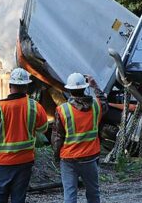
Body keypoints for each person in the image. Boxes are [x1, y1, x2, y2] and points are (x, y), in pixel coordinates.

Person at [0, 68, 48, 203]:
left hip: (1, 162)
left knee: (0, 198)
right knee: (19, 198)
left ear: (10, 86)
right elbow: (43, 128)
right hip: (24, 161)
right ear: (26, 87)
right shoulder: (34, 106)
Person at [52, 73, 109, 203]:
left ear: (69, 89)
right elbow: (105, 103)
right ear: (85, 88)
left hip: (68, 159)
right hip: (90, 158)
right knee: (93, 193)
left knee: (70, 195)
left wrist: (56, 157)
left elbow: (57, 137)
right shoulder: (96, 106)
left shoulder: (62, 110)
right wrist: (94, 86)